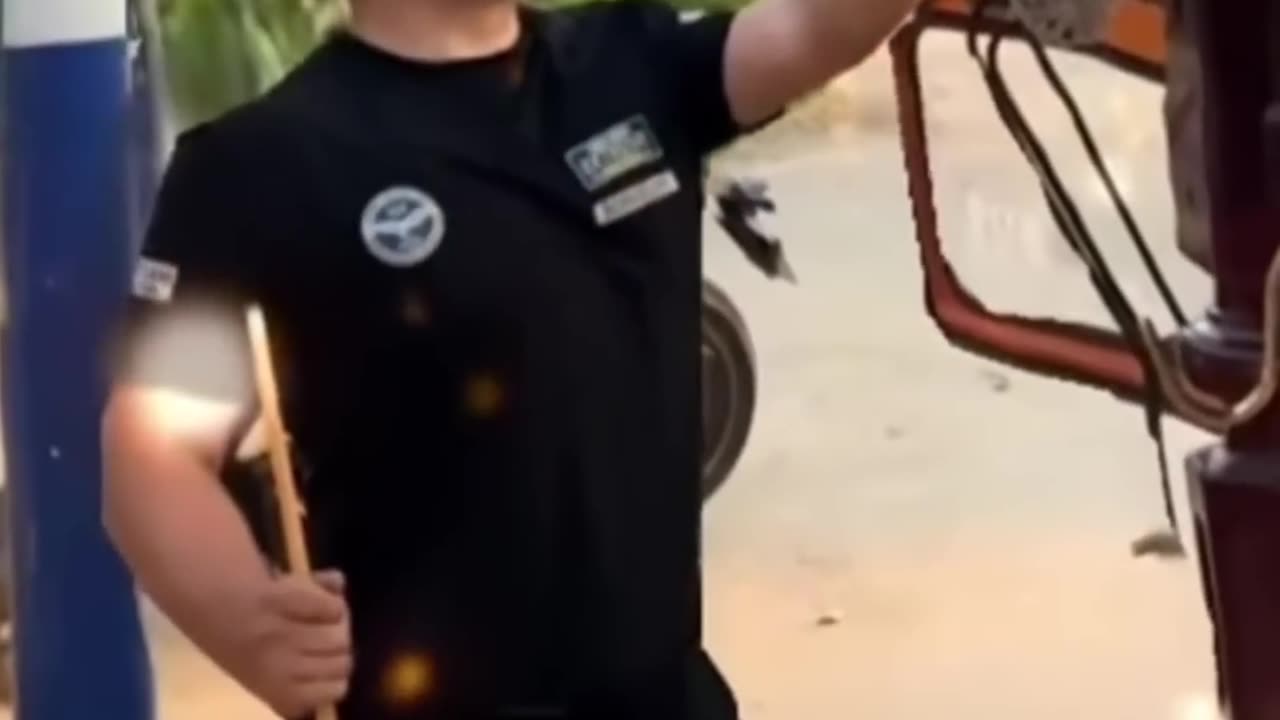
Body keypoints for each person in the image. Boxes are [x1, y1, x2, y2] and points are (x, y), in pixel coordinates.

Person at [101, 0, 918, 717]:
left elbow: (816, 26)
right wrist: (247, 619)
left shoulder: (634, 62)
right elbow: (151, 456)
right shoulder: (254, 166)